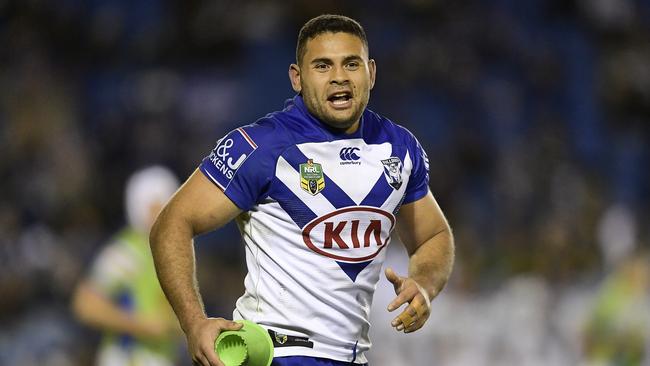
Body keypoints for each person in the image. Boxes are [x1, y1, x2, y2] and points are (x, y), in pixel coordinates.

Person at [150, 14, 455, 366]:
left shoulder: (400, 148)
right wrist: (193, 324)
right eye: (323, 66)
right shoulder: (260, 146)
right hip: (275, 353)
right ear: (297, 78)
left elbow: (433, 235)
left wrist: (424, 285)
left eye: (351, 64)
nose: (339, 76)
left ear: (371, 72)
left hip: (353, 357)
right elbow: (171, 224)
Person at [72, 166, 183, 366]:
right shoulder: (127, 252)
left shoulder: (166, 251)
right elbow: (85, 304)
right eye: (159, 204)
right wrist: (141, 325)